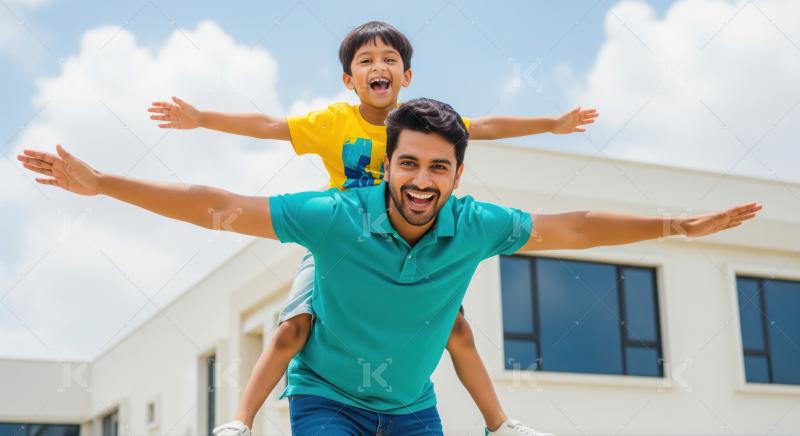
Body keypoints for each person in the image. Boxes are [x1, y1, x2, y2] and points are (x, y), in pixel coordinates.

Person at [19, 98, 760, 436]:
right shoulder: (337, 217)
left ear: (457, 175)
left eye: (439, 168)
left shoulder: (475, 226)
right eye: (408, 163)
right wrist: (106, 183)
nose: (422, 181)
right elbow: (218, 205)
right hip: (328, 402)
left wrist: (678, 224)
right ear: (388, 164)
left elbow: (572, 225)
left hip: (411, 412)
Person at [146, 21, 598, 435]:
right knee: (294, 326)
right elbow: (269, 125)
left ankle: (498, 423)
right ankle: (241, 421)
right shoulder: (332, 123)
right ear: (349, 80)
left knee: (457, 333)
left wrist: (552, 124)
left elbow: (487, 125)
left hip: (408, 248)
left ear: (407, 76)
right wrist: (202, 118)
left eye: (389, 60)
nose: (378, 67)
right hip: (343, 249)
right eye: (365, 61)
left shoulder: (423, 124)